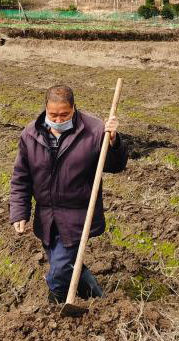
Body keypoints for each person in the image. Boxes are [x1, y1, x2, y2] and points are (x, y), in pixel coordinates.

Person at [9, 84, 127, 302]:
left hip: (77, 215)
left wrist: (112, 141)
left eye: (64, 115)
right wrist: (19, 212)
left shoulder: (94, 130)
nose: (58, 119)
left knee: (60, 270)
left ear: (74, 108)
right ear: (45, 108)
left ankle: (55, 305)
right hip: (46, 217)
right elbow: (21, 177)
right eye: (53, 114)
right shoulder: (31, 134)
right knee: (67, 264)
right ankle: (100, 299)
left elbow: (115, 165)